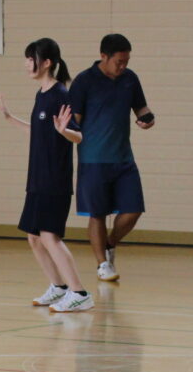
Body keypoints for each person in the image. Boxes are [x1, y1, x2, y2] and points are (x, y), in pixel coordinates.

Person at [0, 38, 91, 313]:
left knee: (49, 236)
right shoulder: (42, 94)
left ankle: (80, 292)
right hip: (37, 177)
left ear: (46, 62)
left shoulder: (61, 95)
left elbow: (78, 135)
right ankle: (58, 287)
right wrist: (10, 118)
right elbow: (41, 132)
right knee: (34, 237)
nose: (27, 64)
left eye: (31, 58)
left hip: (54, 178)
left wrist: (65, 131)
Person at [61, 32, 154, 283]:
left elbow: (141, 108)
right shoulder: (84, 81)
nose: (123, 66)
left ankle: (111, 243)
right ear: (104, 56)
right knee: (97, 213)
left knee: (133, 210)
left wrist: (147, 118)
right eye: (119, 62)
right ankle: (102, 264)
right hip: (93, 160)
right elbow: (74, 122)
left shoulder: (130, 79)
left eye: (126, 61)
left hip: (124, 158)